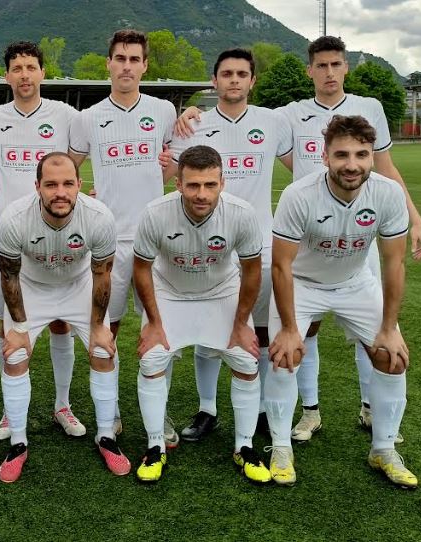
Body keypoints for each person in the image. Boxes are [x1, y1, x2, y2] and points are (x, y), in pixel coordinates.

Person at [278, 36, 421, 443]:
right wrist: (189, 116)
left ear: (346, 68)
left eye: (336, 64)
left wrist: (413, 217)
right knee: (304, 333)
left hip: (357, 241)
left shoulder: (369, 108)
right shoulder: (290, 114)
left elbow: (385, 168)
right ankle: (310, 412)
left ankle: (369, 408)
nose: (329, 72)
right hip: (312, 240)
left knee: (375, 331)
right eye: (321, 65)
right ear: (310, 70)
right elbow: (248, 128)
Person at [266, 115, 416, 489]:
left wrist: (388, 328)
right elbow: (281, 266)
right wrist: (287, 329)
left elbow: (394, 261)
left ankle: (383, 449)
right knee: (285, 356)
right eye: (342, 155)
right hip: (302, 282)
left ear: (371, 156)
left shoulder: (388, 192)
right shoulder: (299, 195)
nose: (352, 164)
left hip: (354, 282)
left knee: (391, 357)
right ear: (325, 156)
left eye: (362, 154)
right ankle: (281, 446)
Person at [164, 48, 293, 443]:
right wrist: (181, 117)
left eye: (242, 73)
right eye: (226, 74)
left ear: (252, 80)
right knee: (209, 332)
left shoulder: (274, 122)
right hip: (209, 246)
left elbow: (300, 169)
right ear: (214, 81)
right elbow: (170, 173)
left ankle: (258, 413)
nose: (234, 80)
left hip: (260, 244)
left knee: (262, 332)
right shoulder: (193, 125)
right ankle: (207, 410)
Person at [0, 41, 84, 440]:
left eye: (30, 67)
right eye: (16, 68)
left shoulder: (66, 116)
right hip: (10, 238)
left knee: (60, 325)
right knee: (9, 326)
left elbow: (79, 158)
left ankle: (62, 405)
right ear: (7, 76)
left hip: (56, 234)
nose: (24, 75)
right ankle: (10, 410)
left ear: (42, 73)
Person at [134, 145, 271, 484]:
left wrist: (241, 324)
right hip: (170, 290)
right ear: (178, 184)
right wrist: (153, 322)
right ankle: (155, 446)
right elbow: (141, 268)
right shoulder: (155, 213)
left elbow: (253, 270)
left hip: (220, 290)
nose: (201, 194)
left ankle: (244, 446)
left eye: (210, 185)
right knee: (152, 360)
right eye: (193, 185)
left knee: (245, 360)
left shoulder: (241, 213)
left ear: (222, 182)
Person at [68, 29, 176, 443]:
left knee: (160, 330)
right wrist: (81, 193)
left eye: (134, 59)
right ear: (109, 63)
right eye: (120, 58)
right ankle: (108, 415)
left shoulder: (164, 110)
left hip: (154, 241)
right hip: (108, 242)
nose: (127, 65)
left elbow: (173, 165)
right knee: (105, 330)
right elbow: (68, 168)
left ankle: (159, 414)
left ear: (145, 65)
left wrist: (165, 168)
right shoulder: (89, 118)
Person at [0, 152, 127, 482]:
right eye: (51, 184)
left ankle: (104, 434)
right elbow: (9, 275)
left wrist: (99, 327)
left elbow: (102, 273)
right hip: (32, 286)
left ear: (80, 185)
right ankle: (19, 441)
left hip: (77, 285)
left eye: (68, 183)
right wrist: (20, 328)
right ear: (37, 186)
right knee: (15, 354)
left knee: (102, 350)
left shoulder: (98, 216)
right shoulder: (14, 219)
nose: (60, 192)